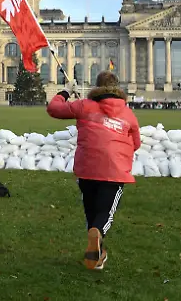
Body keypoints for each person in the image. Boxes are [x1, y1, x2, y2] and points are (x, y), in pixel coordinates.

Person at [47, 70, 140, 270]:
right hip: (114, 171)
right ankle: (97, 235)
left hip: (87, 169)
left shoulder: (84, 106)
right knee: (105, 213)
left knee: (92, 211)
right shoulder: (128, 113)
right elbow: (137, 143)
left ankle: (97, 256)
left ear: (96, 87)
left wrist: (65, 92)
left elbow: (54, 109)